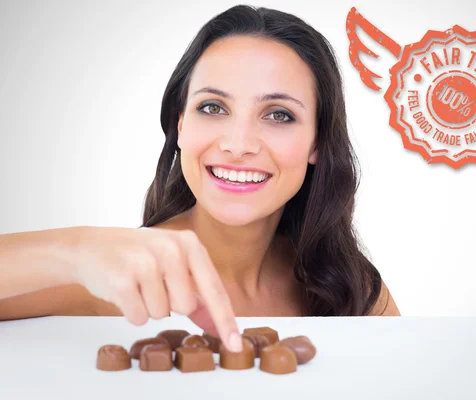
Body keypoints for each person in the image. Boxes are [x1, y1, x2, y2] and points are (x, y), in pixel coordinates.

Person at [0, 4, 400, 353]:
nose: (238, 144)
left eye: (279, 114)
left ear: (318, 141)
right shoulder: (114, 282)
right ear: (180, 123)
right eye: (212, 106)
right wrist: (76, 251)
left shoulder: (350, 287)